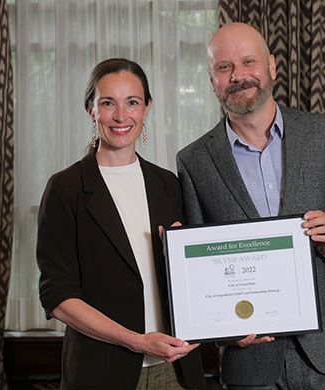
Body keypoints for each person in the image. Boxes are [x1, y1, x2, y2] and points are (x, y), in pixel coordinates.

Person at [176, 23, 325, 389]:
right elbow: (198, 273)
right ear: (212, 80)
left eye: (248, 62)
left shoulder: (324, 134)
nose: (238, 76)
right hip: (251, 361)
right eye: (224, 68)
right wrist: (224, 330)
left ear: (271, 66)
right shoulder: (194, 161)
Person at [36, 58, 204, 390]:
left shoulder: (168, 184)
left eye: (132, 103)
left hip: (176, 370)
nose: (121, 116)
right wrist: (137, 341)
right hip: (101, 372)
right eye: (108, 103)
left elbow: (192, 278)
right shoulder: (65, 188)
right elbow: (58, 297)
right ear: (91, 110)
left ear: (147, 108)